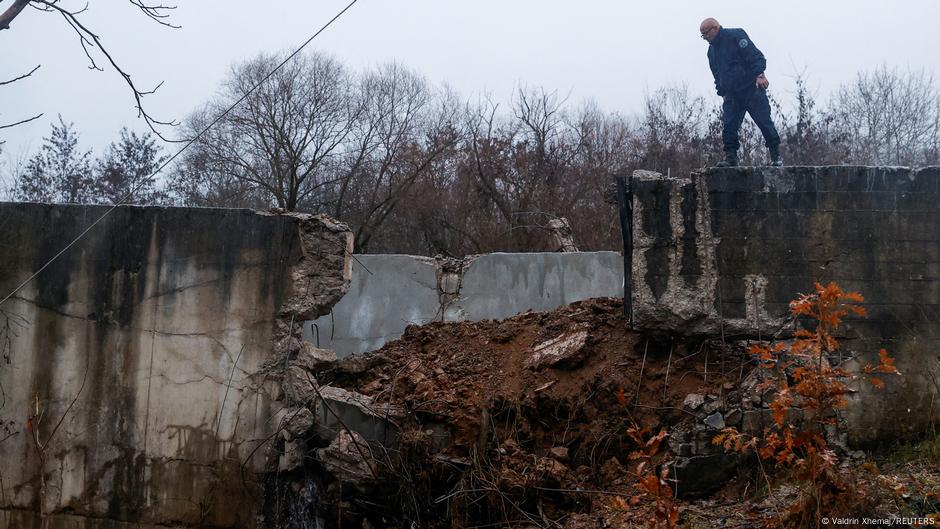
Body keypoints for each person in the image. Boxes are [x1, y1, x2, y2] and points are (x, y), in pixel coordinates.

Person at [700, 18, 783, 167]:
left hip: (751, 88)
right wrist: (722, 92)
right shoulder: (711, 51)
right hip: (732, 95)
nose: (705, 38)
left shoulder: (736, 36)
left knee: (764, 122)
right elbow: (717, 74)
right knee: (729, 126)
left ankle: (776, 156)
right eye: (702, 36)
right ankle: (730, 158)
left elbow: (755, 56)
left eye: (706, 34)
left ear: (715, 28)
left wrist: (760, 75)